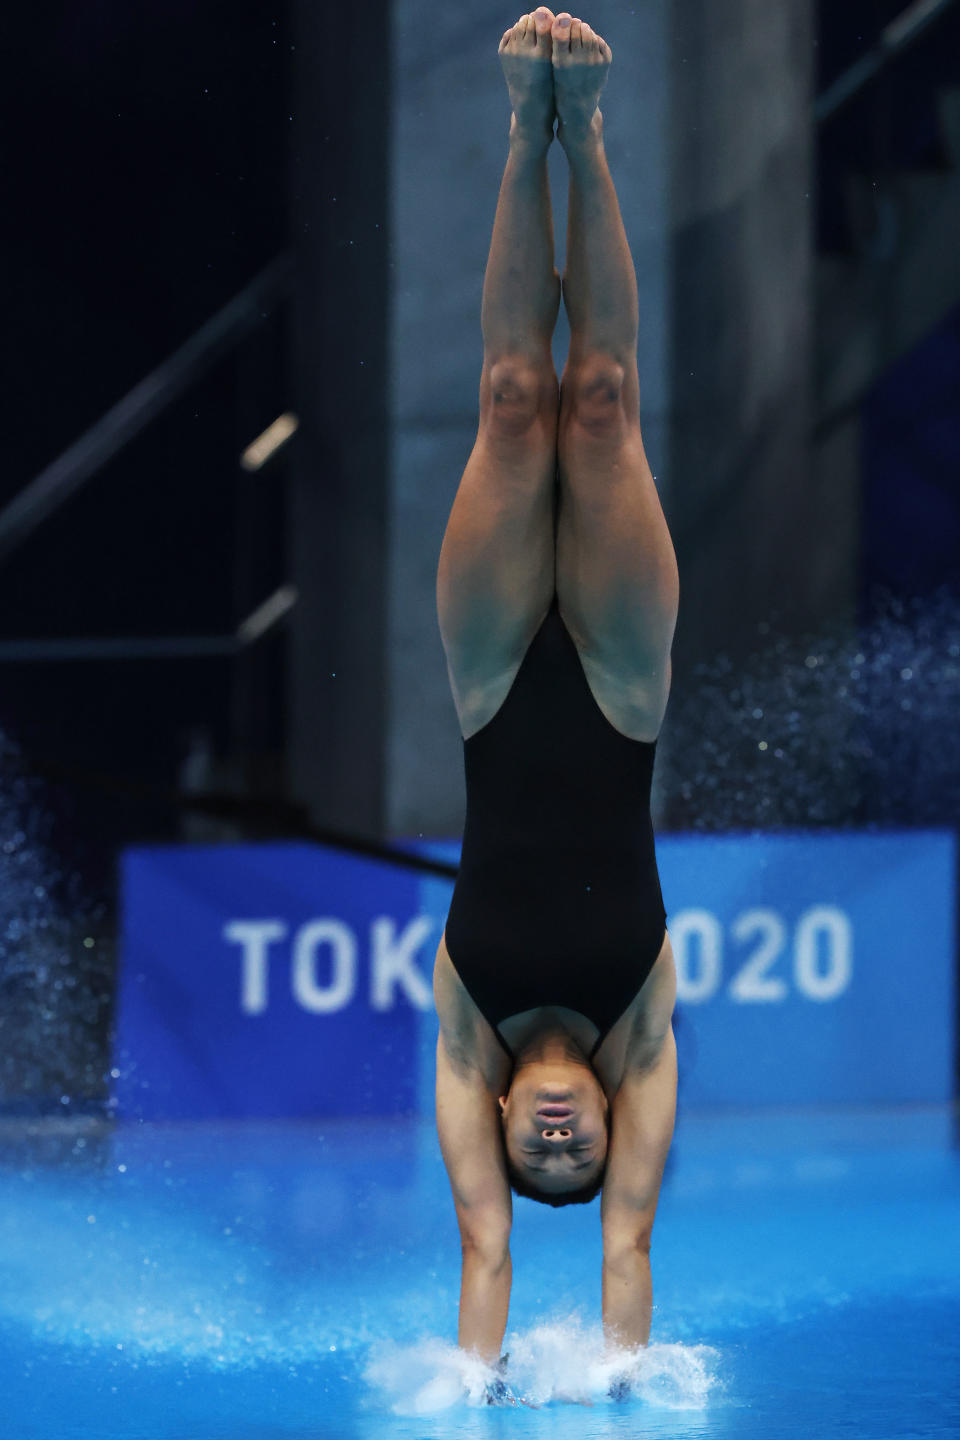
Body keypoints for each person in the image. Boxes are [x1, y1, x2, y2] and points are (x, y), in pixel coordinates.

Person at [432, 8, 680, 1380]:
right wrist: (625, 1380)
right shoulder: (644, 1023)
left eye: (546, 1159)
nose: (559, 1145)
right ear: (605, 1117)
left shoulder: (467, 1032)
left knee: (515, 393)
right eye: (579, 1152)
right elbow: (627, 1250)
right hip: (623, 686)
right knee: (604, 402)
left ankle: (515, 130)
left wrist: (473, 1393)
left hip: (485, 685)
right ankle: (584, 133)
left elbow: (482, 1249)